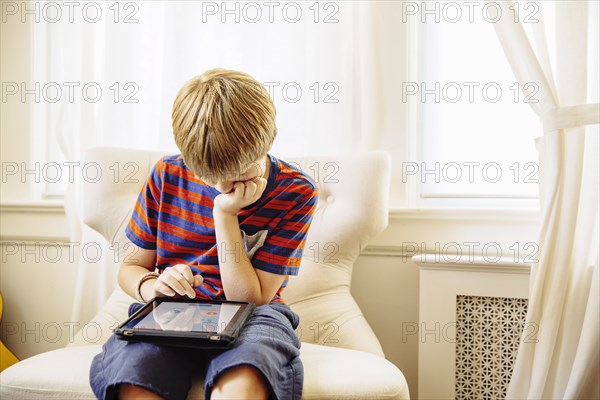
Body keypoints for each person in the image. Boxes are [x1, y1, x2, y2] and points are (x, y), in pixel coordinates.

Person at [89, 69, 318, 400]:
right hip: (173, 313)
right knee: (133, 376)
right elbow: (130, 269)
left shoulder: (295, 191)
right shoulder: (166, 175)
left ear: (269, 140)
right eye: (210, 177)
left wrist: (224, 215)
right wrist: (153, 286)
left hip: (254, 316)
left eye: (240, 172)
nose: (225, 186)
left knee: (247, 376)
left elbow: (251, 298)